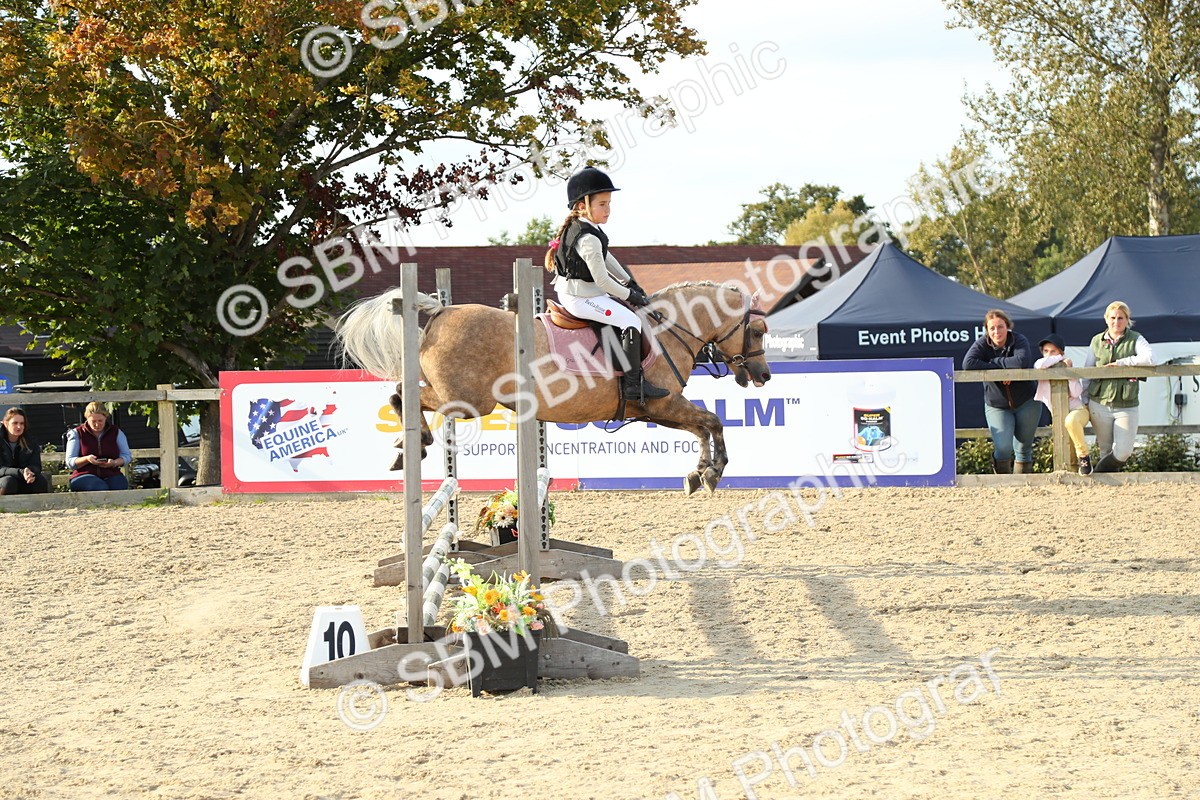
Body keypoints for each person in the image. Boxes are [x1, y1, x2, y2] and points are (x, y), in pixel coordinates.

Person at [544, 166, 668, 403]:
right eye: (602, 204)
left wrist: (629, 282)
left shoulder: (589, 229)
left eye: (609, 203)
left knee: (627, 311)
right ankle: (633, 385)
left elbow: (607, 258)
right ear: (582, 206)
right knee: (631, 319)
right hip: (581, 299)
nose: (608, 209)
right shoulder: (588, 237)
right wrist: (631, 295)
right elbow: (601, 279)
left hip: (582, 293)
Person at [964, 309, 1039, 474]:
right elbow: (968, 363)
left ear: (1008, 327)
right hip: (997, 404)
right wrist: (1000, 373)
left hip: (1027, 400)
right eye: (992, 328)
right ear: (987, 330)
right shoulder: (982, 343)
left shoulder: (1019, 339)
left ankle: (1022, 488)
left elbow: (1021, 361)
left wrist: (994, 363)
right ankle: (1003, 485)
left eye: (1000, 327)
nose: (996, 331)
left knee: (1024, 447)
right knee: (1003, 448)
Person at [1084, 301, 1153, 473]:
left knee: (1123, 452)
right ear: (1106, 319)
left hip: (1127, 404)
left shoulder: (1136, 338)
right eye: (1113, 318)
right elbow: (1087, 372)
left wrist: (1122, 363)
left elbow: (1150, 358)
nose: (1116, 322)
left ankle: (1098, 474)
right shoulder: (1096, 341)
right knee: (1105, 450)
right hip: (1099, 402)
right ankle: (1107, 490)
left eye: (1121, 318)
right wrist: (1084, 400)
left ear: (1127, 319)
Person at [1034, 334, 1093, 475]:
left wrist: (1069, 373)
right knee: (1067, 444)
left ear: (1061, 351)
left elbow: (1076, 392)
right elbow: (1040, 365)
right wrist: (1059, 358)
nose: (1048, 354)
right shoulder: (1042, 365)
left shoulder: (1066, 367)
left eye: (1053, 351)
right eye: (1046, 351)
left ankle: (1084, 457)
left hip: (1078, 410)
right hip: (1059, 413)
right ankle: (1074, 471)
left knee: (1071, 421)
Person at [65, 402, 132, 491]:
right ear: (87, 418)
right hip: (84, 475)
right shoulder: (76, 433)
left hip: (111, 473)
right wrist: (87, 459)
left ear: (105, 417)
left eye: (100, 421)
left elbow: (127, 456)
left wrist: (114, 463)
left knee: (118, 485)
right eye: (93, 421)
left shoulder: (116, 432)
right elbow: (70, 461)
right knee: (99, 487)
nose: (97, 424)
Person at [0, 407, 50, 495]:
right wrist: (20, 472)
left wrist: (29, 471)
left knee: (40, 481)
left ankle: (40, 508)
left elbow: (36, 465)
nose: (19, 427)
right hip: (4, 478)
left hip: (24, 477)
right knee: (9, 482)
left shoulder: (30, 440)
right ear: (6, 423)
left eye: (22, 423)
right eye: (15, 423)